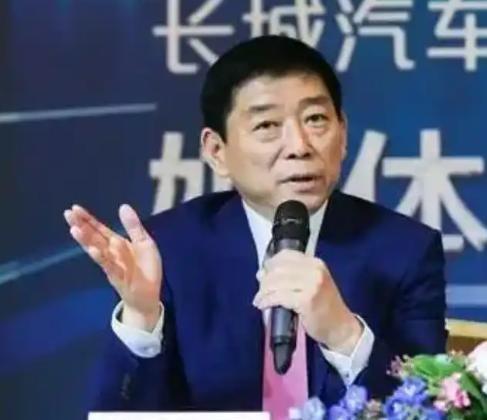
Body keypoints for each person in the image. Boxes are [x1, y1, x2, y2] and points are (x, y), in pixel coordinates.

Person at [63, 35, 447, 417]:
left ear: (343, 133)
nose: (299, 146)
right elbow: (119, 413)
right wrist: (142, 321)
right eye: (267, 125)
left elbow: (429, 408)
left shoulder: (405, 251)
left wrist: (344, 335)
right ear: (217, 151)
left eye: (316, 119)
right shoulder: (169, 250)